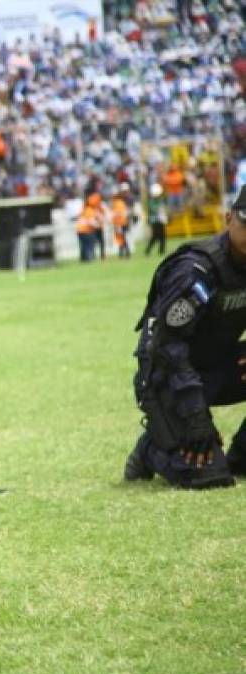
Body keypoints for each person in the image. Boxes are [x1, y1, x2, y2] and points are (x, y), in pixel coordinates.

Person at [123, 184, 246, 489]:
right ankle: (151, 450)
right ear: (229, 218)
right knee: (209, 477)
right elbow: (167, 346)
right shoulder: (196, 270)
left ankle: (241, 456)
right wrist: (195, 415)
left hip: (214, 366)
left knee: (226, 469)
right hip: (168, 377)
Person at [145, 183, 168, 256]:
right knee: (155, 236)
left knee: (162, 236)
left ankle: (161, 250)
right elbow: (154, 210)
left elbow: (163, 209)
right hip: (155, 221)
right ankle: (149, 250)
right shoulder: (151, 202)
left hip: (160, 220)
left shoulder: (160, 200)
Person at [111, 184, 131, 259]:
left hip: (120, 223)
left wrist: (117, 224)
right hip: (122, 223)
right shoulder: (120, 202)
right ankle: (123, 253)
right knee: (121, 238)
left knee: (122, 238)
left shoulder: (117, 203)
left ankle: (124, 253)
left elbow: (118, 215)